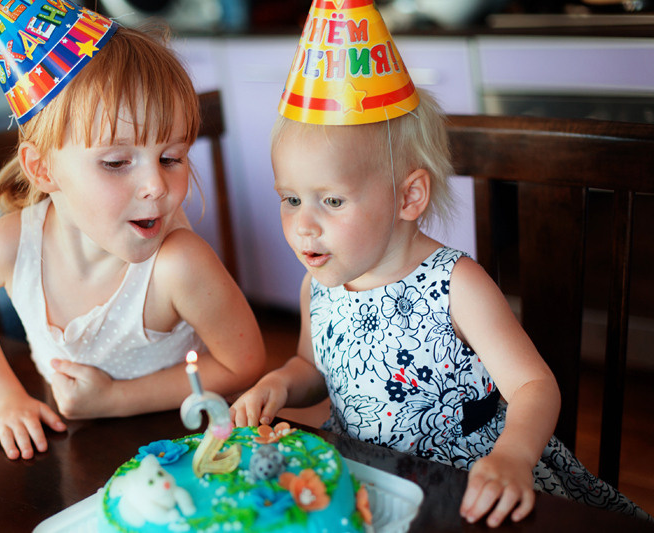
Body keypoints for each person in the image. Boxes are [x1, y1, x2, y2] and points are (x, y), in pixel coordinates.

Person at [230, 86, 652, 526]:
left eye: (332, 200)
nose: (302, 225)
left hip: (467, 486)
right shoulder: (317, 284)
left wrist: (514, 456)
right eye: (291, 199)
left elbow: (533, 385)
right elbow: (312, 366)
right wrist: (279, 382)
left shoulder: (455, 284)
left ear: (409, 197)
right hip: (370, 484)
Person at [0, 21, 265, 461]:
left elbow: (245, 364)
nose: (156, 186)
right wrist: (2, 394)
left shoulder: (178, 265)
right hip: (74, 459)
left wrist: (115, 399)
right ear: (44, 170)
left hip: (188, 457)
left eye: (171, 158)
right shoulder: (11, 248)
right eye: (116, 162)